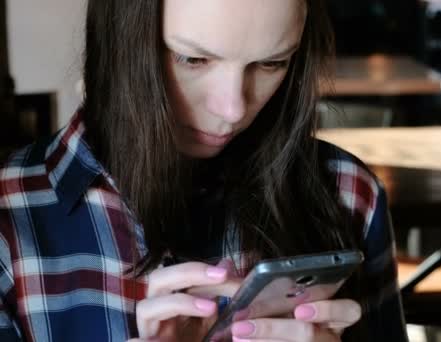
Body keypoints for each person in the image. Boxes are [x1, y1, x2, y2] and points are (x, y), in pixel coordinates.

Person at [0, 0, 407, 341]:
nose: (231, 109)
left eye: (272, 63)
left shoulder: (348, 193)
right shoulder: (9, 221)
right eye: (192, 58)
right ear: (119, 40)